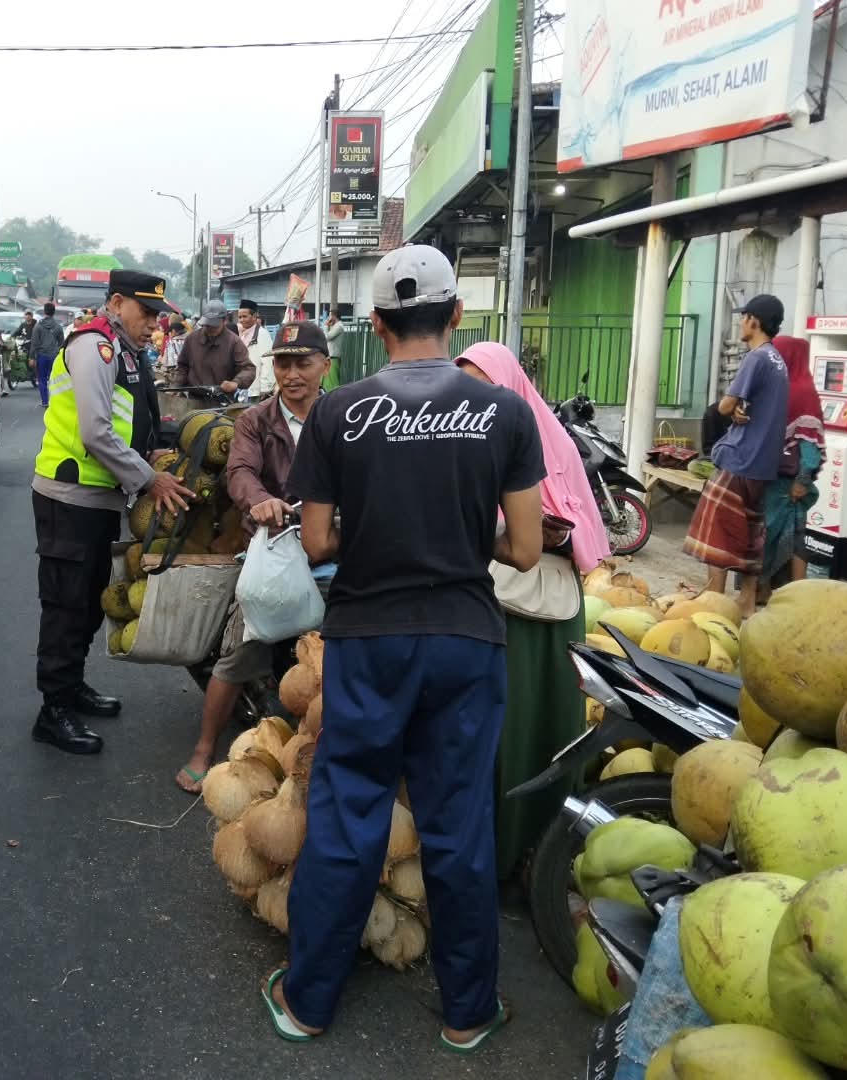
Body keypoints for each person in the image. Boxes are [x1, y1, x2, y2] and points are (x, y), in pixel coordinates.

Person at [263, 245, 544, 1051]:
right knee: (458, 823)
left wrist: (380, 532)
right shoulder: (506, 414)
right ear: (457, 316)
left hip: (366, 641)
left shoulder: (337, 410)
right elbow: (524, 550)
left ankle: (308, 1001)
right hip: (464, 640)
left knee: (350, 816)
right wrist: (459, 534)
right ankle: (467, 1011)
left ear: (377, 323)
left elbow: (316, 540)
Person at [457, 342, 610, 880]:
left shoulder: (550, 441)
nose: (475, 400)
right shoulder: (469, 440)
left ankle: (542, 855)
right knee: (501, 735)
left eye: (484, 386)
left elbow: (584, 526)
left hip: (542, 604)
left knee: (547, 725)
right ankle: (497, 855)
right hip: (497, 604)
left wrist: (550, 532)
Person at [31, 271, 194, 754]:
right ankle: (52, 709)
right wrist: (150, 478)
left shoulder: (124, 350)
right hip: (69, 496)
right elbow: (96, 432)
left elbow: (130, 422)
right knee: (65, 606)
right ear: (117, 302)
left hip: (98, 496)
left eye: (158, 315)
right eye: (146, 313)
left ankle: (72, 685)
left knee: (87, 601)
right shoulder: (93, 347)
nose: (153, 323)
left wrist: (154, 456)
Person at [175, 320, 332, 793]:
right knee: (240, 651)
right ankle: (204, 749)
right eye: (283, 363)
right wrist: (260, 501)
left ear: (325, 366)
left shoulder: (343, 418)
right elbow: (239, 471)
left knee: (345, 658)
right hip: (271, 548)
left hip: (330, 551)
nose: (292, 374)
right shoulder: (255, 420)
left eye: (303, 363)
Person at [683, 294, 791, 618]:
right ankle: (746, 601)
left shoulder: (756, 358)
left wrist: (726, 412)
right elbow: (755, 407)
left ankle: (714, 606)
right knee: (750, 534)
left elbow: (727, 406)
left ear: (754, 321)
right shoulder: (778, 361)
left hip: (740, 458)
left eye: (743, 317)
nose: (741, 322)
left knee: (718, 534)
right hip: (762, 465)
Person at [760, 335, 825, 594]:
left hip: (788, 482)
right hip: (770, 478)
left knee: (786, 536)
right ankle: (765, 589)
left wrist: (803, 480)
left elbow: (810, 444)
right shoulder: (780, 388)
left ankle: (795, 593)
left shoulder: (801, 392)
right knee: (772, 535)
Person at [175, 300, 255, 394]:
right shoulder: (192, 339)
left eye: (214, 326)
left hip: (222, 400)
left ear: (224, 321)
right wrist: (176, 386)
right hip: (195, 398)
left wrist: (235, 383)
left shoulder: (234, 342)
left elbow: (248, 369)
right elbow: (182, 367)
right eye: (207, 325)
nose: (210, 329)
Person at [237, 298, 276, 398]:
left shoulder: (262, 334)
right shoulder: (242, 335)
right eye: (240, 317)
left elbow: (267, 362)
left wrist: (265, 389)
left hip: (257, 390)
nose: (241, 320)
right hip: (244, 390)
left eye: (244, 316)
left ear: (254, 316)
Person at [29, 303, 66, 407]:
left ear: (44, 312)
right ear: (54, 312)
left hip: (42, 356)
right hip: (54, 356)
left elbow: (34, 343)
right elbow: (62, 343)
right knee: (55, 380)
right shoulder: (58, 327)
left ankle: (45, 401)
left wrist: (32, 357)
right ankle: (55, 401)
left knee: (42, 379)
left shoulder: (38, 326)